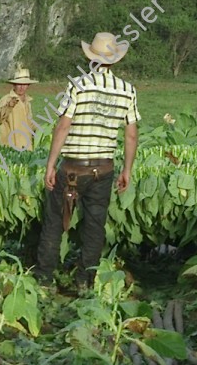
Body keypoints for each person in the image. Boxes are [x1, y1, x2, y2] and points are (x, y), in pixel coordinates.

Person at [35, 33, 138, 285]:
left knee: (54, 223)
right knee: (94, 226)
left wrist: (50, 165)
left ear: (90, 57)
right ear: (114, 60)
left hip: (73, 168)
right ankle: (85, 281)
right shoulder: (127, 90)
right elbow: (131, 134)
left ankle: (44, 280)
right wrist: (127, 170)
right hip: (103, 169)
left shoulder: (78, 85)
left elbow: (63, 126)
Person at [0, 66, 36, 149]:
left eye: (24, 84)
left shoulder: (27, 102)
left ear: (28, 85)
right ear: (14, 85)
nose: (22, 87)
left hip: (27, 146)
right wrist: (8, 107)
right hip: (11, 146)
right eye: (19, 84)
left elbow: (29, 122)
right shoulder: (6, 99)